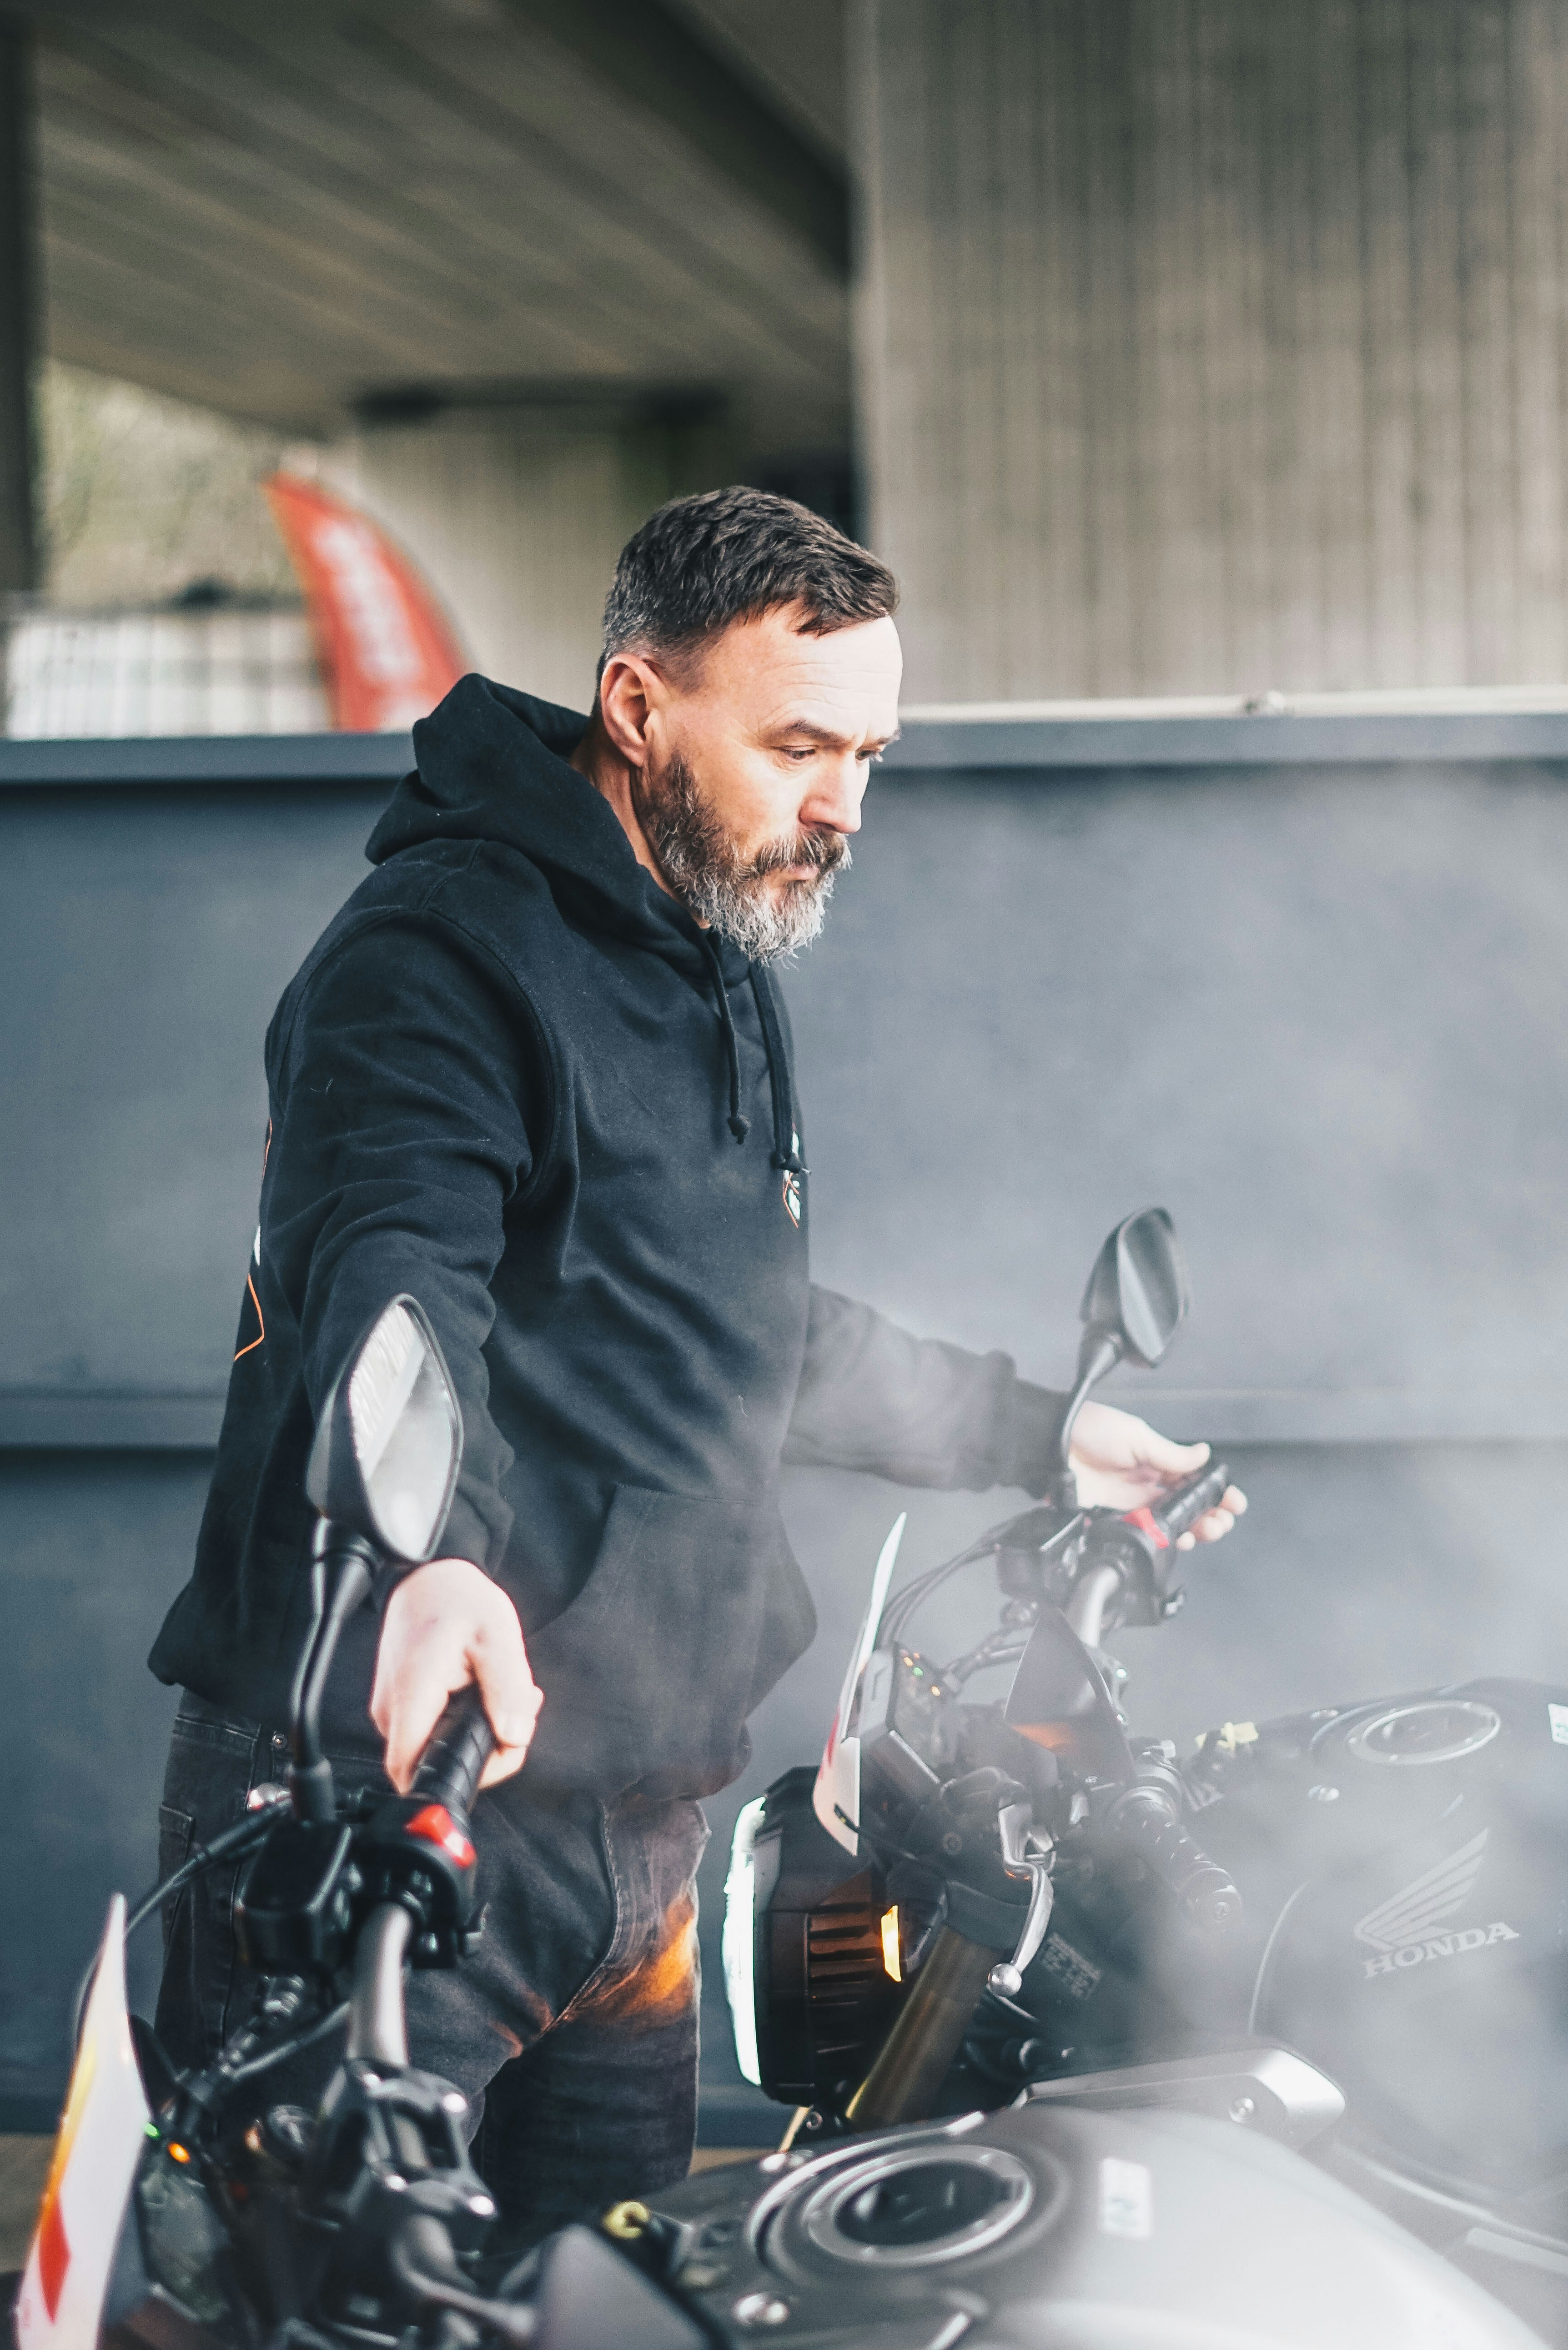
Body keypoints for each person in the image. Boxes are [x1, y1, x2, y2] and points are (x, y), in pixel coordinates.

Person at [150, 487, 1244, 2245]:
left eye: (871, 752)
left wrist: (1045, 1437)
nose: (842, 805)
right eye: (800, 744)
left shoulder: (715, 935)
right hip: (406, 1814)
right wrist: (424, 1556)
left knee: (618, 2302)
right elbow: (390, 1279)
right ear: (639, 706)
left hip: (641, 1832)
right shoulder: (436, 957)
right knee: (320, 2291)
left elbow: (740, 1334)